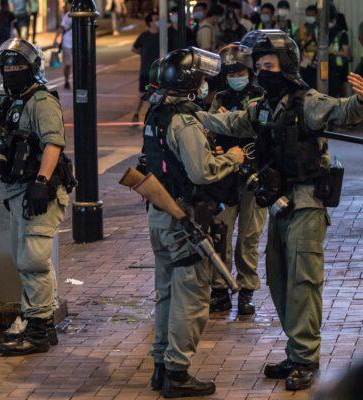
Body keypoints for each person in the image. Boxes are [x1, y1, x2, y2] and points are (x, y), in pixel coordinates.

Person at [196, 29, 363, 391]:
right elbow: (231, 122)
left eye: (269, 65)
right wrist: (191, 114)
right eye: (258, 67)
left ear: (285, 65)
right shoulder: (264, 106)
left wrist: (362, 100)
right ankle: (296, 349)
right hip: (278, 205)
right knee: (278, 279)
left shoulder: (308, 101)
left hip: (305, 204)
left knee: (303, 282)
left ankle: (305, 357)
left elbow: (344, 111)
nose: (261, 73)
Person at [143, 47, 245, 397]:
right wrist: (232, 158)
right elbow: (202, 172)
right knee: (191, 297)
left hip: (161, 215)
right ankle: (178, 372)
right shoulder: (183, 123)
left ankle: (161, 365)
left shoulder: (156, 113)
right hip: (184, 219)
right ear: (190, 83)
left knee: (167, 294)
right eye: (202, 80)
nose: (205, 86)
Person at [0, 38, 74, 356]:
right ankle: (42, 325)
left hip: (39, 194)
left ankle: (37, 329)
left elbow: (53, 143)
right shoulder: (14, 102)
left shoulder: (41, 101)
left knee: (33, 261)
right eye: (6, 69)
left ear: (32, 70)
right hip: (19, 193)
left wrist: (40, 181)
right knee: (25, 260)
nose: (10, 74)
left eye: (16, 69)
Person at [208, 43, 265, 315]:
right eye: (231, 72)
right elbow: (210, 130)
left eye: (240, 71)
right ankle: (220, 289)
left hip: (256, 176)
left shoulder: (262, 96)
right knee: (220, 234)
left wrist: (228, 120)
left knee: (249, 238)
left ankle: (246, 290)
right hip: (225, 175)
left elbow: (261, 127)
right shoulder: (219, 97)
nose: (236, 76)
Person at [131, 11, 159, 123]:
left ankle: (155, 114)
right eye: (156, 19)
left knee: (158, 92)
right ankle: (135, 113)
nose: (159, 21)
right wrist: (143, 53)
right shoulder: (144, 36)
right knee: (143, 92)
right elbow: (134, 48)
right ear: (150, 23)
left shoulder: (163, 35)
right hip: (146, 71)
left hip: (159, 71)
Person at [328, 7, 349, 98]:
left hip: (340, 68)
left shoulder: (342, 34)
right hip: (330, 67)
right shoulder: (326, 33)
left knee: (342, 90)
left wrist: (331, 51)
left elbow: (345, 53)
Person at [296, 5, 318, 89]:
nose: (310, 17)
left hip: (316, 63)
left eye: (312, 15)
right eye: (308, 15)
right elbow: (299, 44)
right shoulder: (302, 28)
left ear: (316, 15)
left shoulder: (319, 28)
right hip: (304, 64)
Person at [52, 2, 72, 90]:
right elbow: (61, 28)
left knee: (78, 64)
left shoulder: (80, 14)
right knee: (68, 64)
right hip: (67, 43)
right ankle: (66, 81)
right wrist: (55, 39)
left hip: (78, 44)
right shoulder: (68, 16)